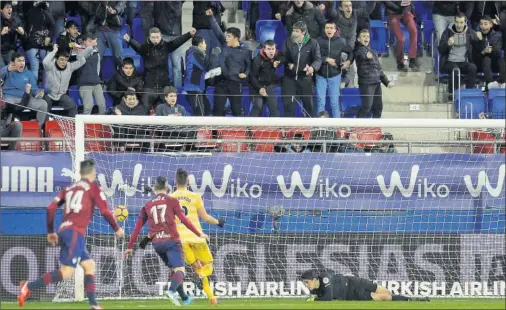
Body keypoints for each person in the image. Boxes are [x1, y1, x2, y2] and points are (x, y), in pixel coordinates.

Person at [18, 159, 124, 310]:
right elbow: (105, 211)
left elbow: (50, 208)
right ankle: (28, 286)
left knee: (89, 265)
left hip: (64, 231)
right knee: (67, 273)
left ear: (80, 173)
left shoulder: (68, 189)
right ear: (93, 173)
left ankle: (94, 304)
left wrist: (50, 231)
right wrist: (116, 228)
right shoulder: (93, 188)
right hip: (76, 232)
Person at [124, 176, 210, 306]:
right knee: (181, 270)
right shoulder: (172, 201)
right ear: (167, 187)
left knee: (174, 270)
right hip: (171, 241)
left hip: (157, 244)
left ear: (154, 187)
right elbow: (185, 220)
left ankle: (185, 298)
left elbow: (137, 228)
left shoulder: (147, 205)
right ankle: (171, 291)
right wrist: (199, 233)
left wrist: (129, 246)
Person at [124, 27, 195, 110]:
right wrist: (129, 40)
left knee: (164, 111)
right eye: (153, 37)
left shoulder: (166, 46)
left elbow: (177, 42)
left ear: (161, 36)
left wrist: (189, 34)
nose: (155, 40)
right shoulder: (145, 48)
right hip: (149, 87)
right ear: (149, 37)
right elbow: (137, 46)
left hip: (164, 87)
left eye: (157, 37)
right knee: (144, 110)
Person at [207, 9, 251, 116]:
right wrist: (211, 17)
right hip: (221, 83)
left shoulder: (245, 51)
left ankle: (238, 133)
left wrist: (245, 73)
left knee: (236, 111)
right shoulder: (224, 44)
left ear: (237, 38)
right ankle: (215, 133)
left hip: (235, 84)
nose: (226, 38)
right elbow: (217, 30)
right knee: (217, 111)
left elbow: (249, 66)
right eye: (226, 36)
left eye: (229, 36)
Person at [301, 270, 430, 302]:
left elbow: (328, 298)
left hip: (355, 282)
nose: (306, 285)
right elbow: (328, 297)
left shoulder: (323, 278)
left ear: (314, 279)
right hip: (352, 294)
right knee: (381, 297)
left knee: (385, 291)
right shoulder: (317, 290)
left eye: (307, 282)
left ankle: (412, 298)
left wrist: (314, 299)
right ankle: (412, 299)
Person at [281, 21, 322, 117]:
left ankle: (310, 130)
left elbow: (318, 59)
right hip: (289, 79)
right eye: (293, 30)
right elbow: (284, 57)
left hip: (305, 79)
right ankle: (288, 131)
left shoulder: (313, 43)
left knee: (309, 107)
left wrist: (312, 68)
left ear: (303, 32)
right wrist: (289, 64)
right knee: (288, 106)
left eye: (297, 31)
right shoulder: (288, 41)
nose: (293, 33)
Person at [43, 44, 93, 117]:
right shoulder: (50, 66)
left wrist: (78, 52)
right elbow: (45, 62)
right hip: (49, 95)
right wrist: (54, 51)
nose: (63, 62)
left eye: (66, 60)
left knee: (73, 106)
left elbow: (82, 61)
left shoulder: (70, 67)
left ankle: (71, 125)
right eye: (61, 59)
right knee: (44, 107)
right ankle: (44, 127)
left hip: (62, 96)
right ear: (57, 59)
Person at [0, 52, 48, 128]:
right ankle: (5, 128)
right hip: (10, 98)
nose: (22, 63)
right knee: (5, 105)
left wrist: (38, 93)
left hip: (25, 98)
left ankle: (39, 128)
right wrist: (7, 69)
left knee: (43, 104)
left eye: (23, 60)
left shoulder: (29, 74)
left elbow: (34, 89)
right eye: (19, 61)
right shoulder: (7, 70)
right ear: (13, 62)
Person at [315, 21, 352, 118]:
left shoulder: (341, 41)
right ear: (324, 29)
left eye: (331, 28)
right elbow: (314, 56)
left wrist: (348, 62)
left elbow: (351, 52)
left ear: (335, 30)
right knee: (320, 101)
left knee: (334, 102)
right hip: (320, 75)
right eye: (327, 28)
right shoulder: (318, 40)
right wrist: (326, 59)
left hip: (335, 75)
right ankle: (320, 127)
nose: (329, 30)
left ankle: (337, 128)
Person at [354, 29, 393, 118]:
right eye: (364, 36)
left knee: (378, 108)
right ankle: (356, 127)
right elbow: (360, 56)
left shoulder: (374, 52)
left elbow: (379, 69)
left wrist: (387, 82)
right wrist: (365, 56)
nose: (366, 38)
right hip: (366, 83)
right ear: (359, 39)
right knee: (366, 107)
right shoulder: (358, 50)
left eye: (367, 36)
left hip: (376, 82)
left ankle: (375, 129)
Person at [438, 13, 478, 97]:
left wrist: (481, 40)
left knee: (473, 68)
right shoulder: (447, 32)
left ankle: (469, 93)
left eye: (461, 22)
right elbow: (440, 50)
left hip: (463, 61)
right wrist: (447, 44)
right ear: (454, 22)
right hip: (449, 62)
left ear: (465, 22)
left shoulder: (470, 33)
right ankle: (452, 94)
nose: (459, 25)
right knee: (455, 70)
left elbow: (478, 45)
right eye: (457, 22)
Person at [183, 35, 218, 116]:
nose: (206, 45)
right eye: (204, 43)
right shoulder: (195, 53)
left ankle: (203, 128)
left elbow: (200, 69)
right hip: (193, 87)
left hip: (198, 87)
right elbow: (206, 66)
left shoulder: (194, 52)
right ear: (200, 44)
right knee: (200, 113)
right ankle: (197, 129)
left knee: (207, 109)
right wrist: (213, 55)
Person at [384, 1, 421, 71]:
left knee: (414, 31)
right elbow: (386, 2)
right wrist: (400, 4)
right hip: (392, 12)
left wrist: (409, 3)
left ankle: (412, 59)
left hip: (405, 12)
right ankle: (400, 62)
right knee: (400, 39)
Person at [249, 40, 282, 117]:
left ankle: (276, 128)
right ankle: (250, 128)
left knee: (274, 108)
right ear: (264, 49)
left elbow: (284, 57)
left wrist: (279, 61)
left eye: (273, 49)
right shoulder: (257, 60)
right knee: (258, 107)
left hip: (269, 86)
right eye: (269, 49)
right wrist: (259, 88)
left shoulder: (276, 56)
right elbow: (252, 77)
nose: (271, 51)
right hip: (256, 87)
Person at [472, 15, 505, 90]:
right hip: (479, 64)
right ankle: (490, 84)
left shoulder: (497, 36)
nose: (483, 26)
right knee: (486, 59)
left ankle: (504, 83)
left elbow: (498, 53)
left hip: (493, 64)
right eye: (481, 24)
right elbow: (473, 56)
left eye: (485, 24)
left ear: (491, 24)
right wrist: (483, 51)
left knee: (501, 60)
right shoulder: (476, 36)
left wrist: (492, 50)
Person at [76, 34, 106, 115]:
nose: (91, 43)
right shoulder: (79, 51)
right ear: (84, 42)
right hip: (84, 84)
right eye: (89, 41)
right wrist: (91, 46)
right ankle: (85, 126)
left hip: (96, 83)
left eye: (92, 42)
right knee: (88, 107)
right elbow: (80, 56)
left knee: (102, 105)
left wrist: (95, 77)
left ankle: (101, 124)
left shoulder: (97, 53)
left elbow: (98, 68)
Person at [0, 79, 24, 150]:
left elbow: (21, 106)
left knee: (18, 125)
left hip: (4, 130)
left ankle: (11, 151)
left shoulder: (7, 104)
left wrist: (27, 93)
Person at [1, 1, 25, 68]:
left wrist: (23, 33)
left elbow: (24, 36)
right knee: (3, 70)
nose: (9, 9)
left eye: (10, 7)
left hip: (9, 50)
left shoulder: (16, 19)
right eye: (7, 7)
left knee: (14, 67)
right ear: (1, 9)